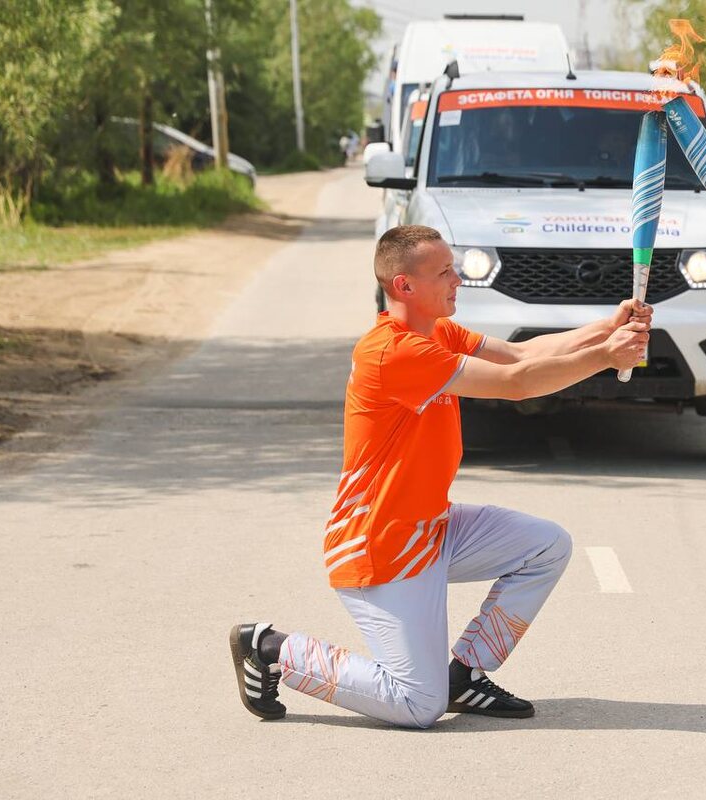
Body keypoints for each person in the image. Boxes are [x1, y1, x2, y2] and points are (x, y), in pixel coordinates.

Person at [230, 224, 650, 728]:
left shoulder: (437, 331)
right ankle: (272, 649)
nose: (458, 280)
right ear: (404, 286)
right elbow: (516, 384)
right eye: (445, 271)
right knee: (416, 705)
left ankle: (464, 676)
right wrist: (606, 357)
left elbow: (522, 355)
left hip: (432, 528)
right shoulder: (393, 353)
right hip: (381, 547)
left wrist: (606, 327)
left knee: (546, 545)